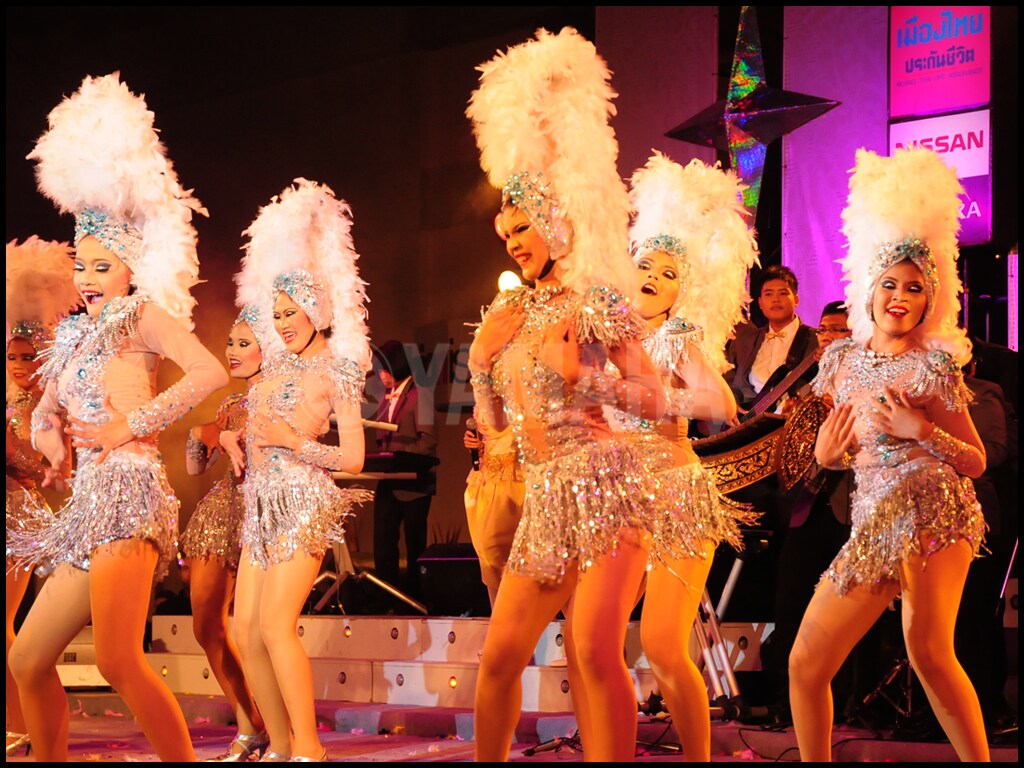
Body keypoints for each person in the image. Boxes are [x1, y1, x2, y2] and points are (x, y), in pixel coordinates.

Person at [7, 72, 227, 762]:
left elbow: (210, 373)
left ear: (129, 269)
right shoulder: (72, 335)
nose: (89, 279)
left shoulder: (143, 316)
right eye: (84, 266)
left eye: (103, 267)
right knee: (27, 659)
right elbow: (44, 411)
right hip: (85, 506)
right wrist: (51, 444)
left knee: (116, 658)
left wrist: (128, 426)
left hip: (131, 494)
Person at [465, 27, 671, 762]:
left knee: (593, 651)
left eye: (524, 227)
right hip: (546, 496)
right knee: (498, 659)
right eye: (506, 232)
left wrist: (586, 378)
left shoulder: (596, 299)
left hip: (608, 487)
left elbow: (657, 401)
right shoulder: (508, 314)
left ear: (554, 220)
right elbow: (494, 425)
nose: (514, 241)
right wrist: (481, 363)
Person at [788, 146, 990, 762]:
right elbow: (841, 448)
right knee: (805, 663)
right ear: (869, 290)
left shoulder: (933, 368)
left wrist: (922, 430)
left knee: (929, 652)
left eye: (914, 288)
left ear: (930, 301)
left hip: (935, 508)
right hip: (873, 521)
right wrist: (826, 457)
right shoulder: (839, 361)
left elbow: (976, 460)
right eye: (890, 284)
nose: (900, 296)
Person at [611, 151, 760, 760]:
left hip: (675, 499)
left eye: (668, 272)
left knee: (665, 646)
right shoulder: (607, 343)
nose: (652, 275)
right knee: (594, 641)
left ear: (681, 292)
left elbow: (721, 403)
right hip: (617, 500)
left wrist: (655, 400)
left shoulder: (677, 338)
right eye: (644, 264)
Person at [223, 177, 373, 762]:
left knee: (276, 626)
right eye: (278, 313)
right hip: (259, 507)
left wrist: (294, 442)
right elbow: (254, 426)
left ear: (316, 311)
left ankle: (310, 747)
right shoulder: (273, 369)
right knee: (245, 629)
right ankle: (280, 745)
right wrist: (235, 439)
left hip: (304, 502)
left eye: (292, 312)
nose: (283, 322)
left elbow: (353, 459)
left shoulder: (337, 371)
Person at [179, 305, 274, 762]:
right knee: (205, 625)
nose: (232, 352)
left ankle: (283, 732)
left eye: (243, 344)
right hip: (221, 516)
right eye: (230, 343)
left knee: (260, 630)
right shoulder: (231, 406)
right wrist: (204, 432)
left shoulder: (284, 397)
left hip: (265, 516)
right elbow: (194, 467)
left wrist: (230, 436)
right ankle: (250, 723)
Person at [762, 300, 856, 723]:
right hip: (806, 506)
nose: (829, 338)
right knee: (790, 604)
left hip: (851, 508)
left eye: (839, 330)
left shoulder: (867, 381)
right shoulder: (804, 383)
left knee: (847, 615)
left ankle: (850, 704)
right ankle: (786, 703)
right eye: (824, 330)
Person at [5, 237, 80, 758]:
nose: (17, 364)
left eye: (27, 356)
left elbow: (42, 465)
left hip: (18, 521)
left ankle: (23, 725)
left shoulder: (48, 406)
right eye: (11, 355)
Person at [370, 339, 438, 603]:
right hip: (388, 480)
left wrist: (399, 458)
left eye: (385, 369)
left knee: (415, 546)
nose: (381, 375)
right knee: (383, 543)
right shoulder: (385, 398)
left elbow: (428, 441)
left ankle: (415, 601)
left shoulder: (421, 395)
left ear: (397, 366)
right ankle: (385, 599)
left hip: (414, 483)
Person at [724, 264, 818, 415]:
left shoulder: (815, 339)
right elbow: (728, 374)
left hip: (793, 420)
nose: (775, 299)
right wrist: (731, 401)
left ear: (796, 300)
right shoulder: (745, 340)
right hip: (748, 420)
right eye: (768, 294)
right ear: (760, 303)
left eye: (783, 293)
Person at [462, 417, 524, 608]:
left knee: (523, 562)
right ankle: (500, 621)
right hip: (486, 485)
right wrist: (477, 446)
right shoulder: (485, 399)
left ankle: (533, 620)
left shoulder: (527, 400)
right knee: (491, 559)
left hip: (518, 483)